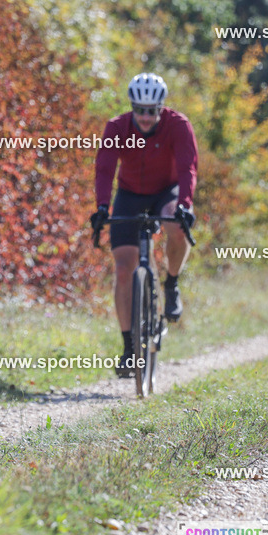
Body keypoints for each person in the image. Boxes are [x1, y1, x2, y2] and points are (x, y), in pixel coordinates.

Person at [91, 73, 198, 378]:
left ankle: (171, 283)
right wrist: (101, 206)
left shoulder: (178, 125)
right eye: (140, 110)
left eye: (152, 111)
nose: (146, 117)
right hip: (129, 195)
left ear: (161, 108)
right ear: (132, 106)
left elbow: (187, 167)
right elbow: (104, 167)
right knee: (124, 269)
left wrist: (185, 205)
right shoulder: (117, 127)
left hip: (167, 191)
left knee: (176, 226)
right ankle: (128, 347)